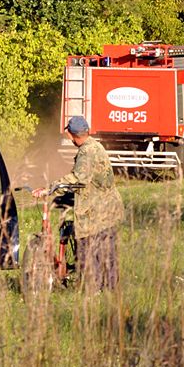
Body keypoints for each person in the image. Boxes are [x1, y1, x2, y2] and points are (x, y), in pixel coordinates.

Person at [33, 116, 124, 291]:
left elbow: (79, 177)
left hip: (95, 213)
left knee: (88, 251)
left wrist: (50, 189)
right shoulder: (96, 146)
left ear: (71, 134)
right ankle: (110, 291)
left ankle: (94, 291)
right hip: (108, 209)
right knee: (108, 253)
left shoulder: (87, 151)